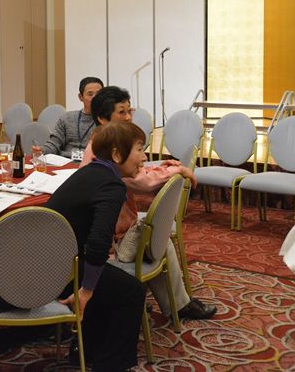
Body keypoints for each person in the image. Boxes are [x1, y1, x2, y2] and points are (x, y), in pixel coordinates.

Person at [82, 85, 216, 320]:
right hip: (110, 239)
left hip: (116, 228)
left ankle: (158, 300)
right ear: (103, 119)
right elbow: (140, 181)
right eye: (121, 112)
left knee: (156, 235)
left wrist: (164, 166)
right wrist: (176, 169)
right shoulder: (104, 152)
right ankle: (173, 304)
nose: (128, 117)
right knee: (157, 237)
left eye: (129, 111)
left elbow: (139, 171)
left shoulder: (103, 143)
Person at [45, 122, 147, 371]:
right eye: (139, 149)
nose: (144, 157)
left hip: (45, 261)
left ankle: (87, 350)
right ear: (117, 154)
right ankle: (111, 365)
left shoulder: (90, 172)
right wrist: (86, 291)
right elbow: (98, 243)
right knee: (131, 291)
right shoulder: (111, 185)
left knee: (107, 280)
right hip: (57, 270)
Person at [41, 76, 104, 157]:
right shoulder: (67, 118)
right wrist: (42, 150)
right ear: (81, 97)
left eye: (98, 94)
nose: (95, 98)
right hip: (65, 161)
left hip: (91, 161)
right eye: (90, 94)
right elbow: (54, 143)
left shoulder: (107, 121)